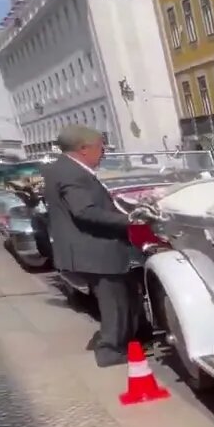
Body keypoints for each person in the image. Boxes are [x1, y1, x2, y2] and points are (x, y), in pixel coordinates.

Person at [43, 125, 146, 367]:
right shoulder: (72, 173)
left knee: (125, 297)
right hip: (95, 249)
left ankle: (130, 339)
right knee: (114, 302)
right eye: (101, 147)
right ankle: (110, 351)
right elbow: (85, 211)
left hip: (91, 248)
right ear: (83, 149)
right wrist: (130, 220)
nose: (103, 153)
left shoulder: (63, 168)